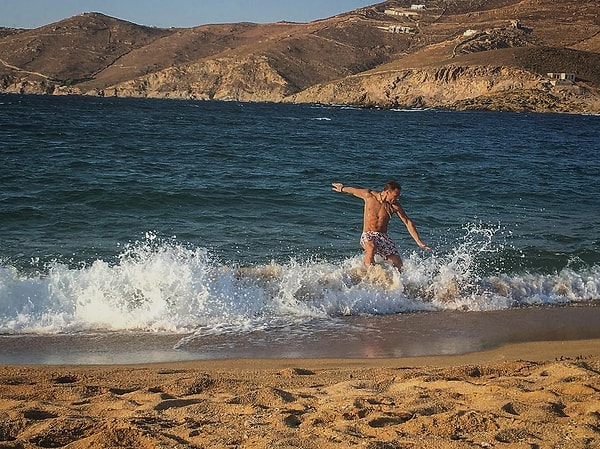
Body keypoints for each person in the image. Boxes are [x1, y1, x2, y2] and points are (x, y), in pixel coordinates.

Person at [332, 180, 430, 271]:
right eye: (395, 196)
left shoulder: (395, 206)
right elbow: (354, 191)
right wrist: (342, 188)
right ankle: (368, 275)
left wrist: (418, 241)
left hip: (383, 237)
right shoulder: (369, 196)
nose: (397, 198)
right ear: (387, 192)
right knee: (371, 247)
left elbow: (407, 222)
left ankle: (398, 285)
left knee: (399, 265)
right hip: (368, 234)